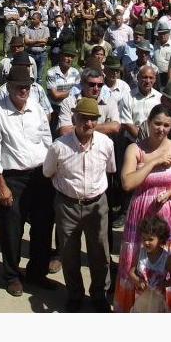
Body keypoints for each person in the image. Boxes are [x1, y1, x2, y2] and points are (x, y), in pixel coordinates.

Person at [0, 66, 58, 297]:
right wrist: (1, 185)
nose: (23, 90)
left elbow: (47, 141)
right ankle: (12, 276)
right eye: (18, 86)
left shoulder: (36, 107)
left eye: (27, 86)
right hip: (12, 178)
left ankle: (37, 272)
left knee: (43, 226)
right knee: (11, 230)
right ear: (9, 87)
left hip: (40, 176)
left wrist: (50, 172)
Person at [115, 104, 171, 312]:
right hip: (142, 211)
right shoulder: (135, 149)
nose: (161, 129)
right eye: (157, 123)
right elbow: (127, 183)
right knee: (138, 259)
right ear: (148, 123)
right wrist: (153, 163)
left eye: (166, 125)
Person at [44, 96, 117, 312]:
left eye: (93, 119)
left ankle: (99, 295)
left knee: (100, 253)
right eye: (84, 118)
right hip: (67, 205)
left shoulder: (106, 144)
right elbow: (48, 172)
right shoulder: (59, 146)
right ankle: (75, 295)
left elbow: (110, 170)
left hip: (97, 205)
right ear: (74, 118)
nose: (89, 123)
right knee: (69, 253)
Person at [129, 215, 171, 312]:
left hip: (158, 300)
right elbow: (131, 272)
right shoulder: (140, 253)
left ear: (160, 239)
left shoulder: (166, 258)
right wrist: (138, 281)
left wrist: (163, 284)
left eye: (150, 239)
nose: (146, 242)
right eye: (144, 238)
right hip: (141, 298)